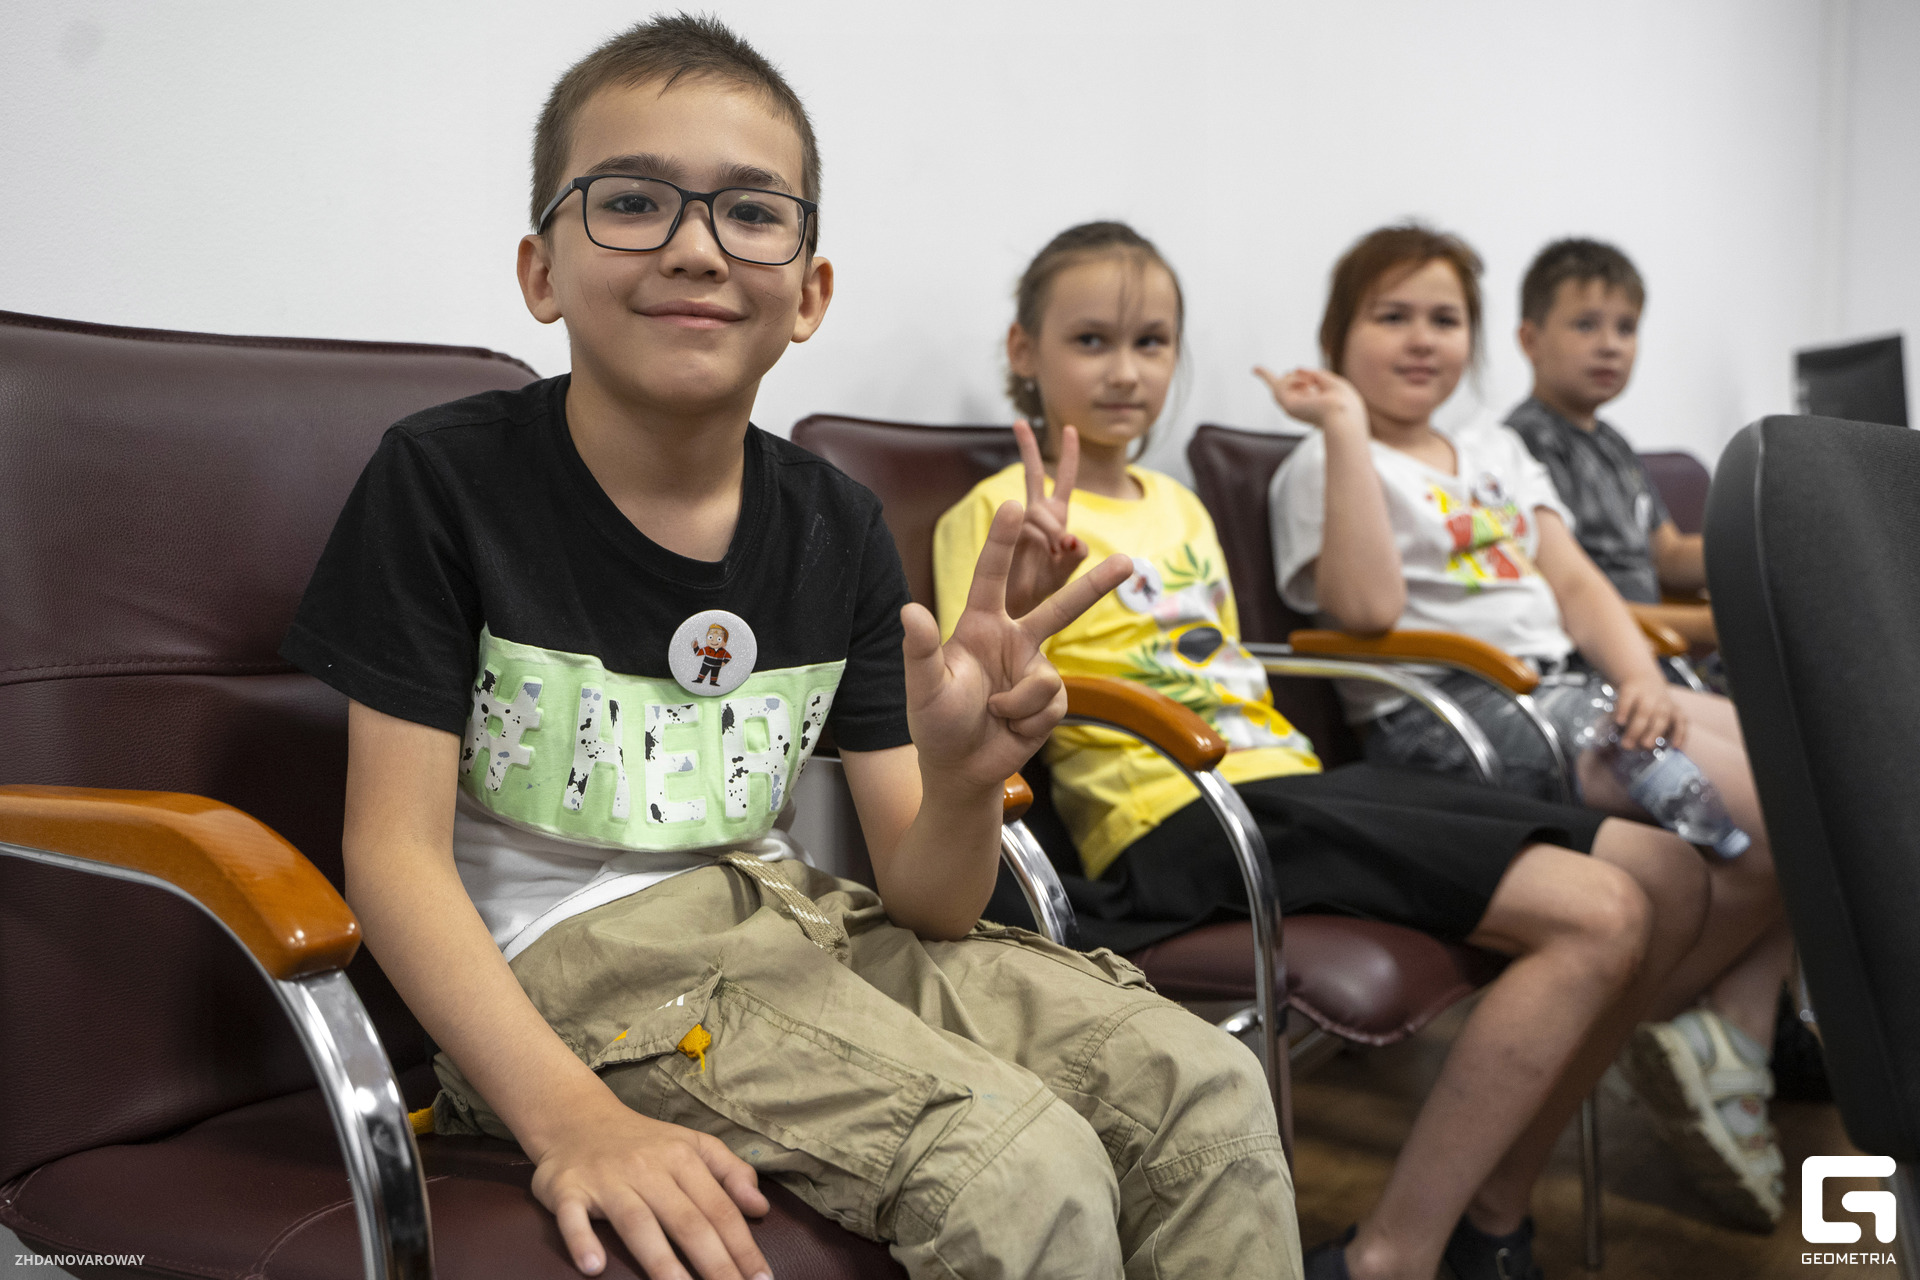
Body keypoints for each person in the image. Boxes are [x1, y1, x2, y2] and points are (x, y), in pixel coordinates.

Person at [281, 19, 1299, 1280]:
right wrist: (569, 1117)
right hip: (575, 975)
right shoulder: (445, 481)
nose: (697, 245)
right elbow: (391, 855)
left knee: (1206, 1087)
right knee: (1017, 1169)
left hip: (804, 924)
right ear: (542, 270)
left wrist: (965, 778)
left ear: (809, 292)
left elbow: (929, 899)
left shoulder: (837, 524)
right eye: (634, 201)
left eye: (752, 212)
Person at [933, 221, 1725, 1280]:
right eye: (1091, 341)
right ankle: (1392, 1253)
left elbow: (1226, 660)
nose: (1126, 371)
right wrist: (1024, 610)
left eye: (1152, 342)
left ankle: (1490, 1217)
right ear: (1023, 350)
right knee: (1605, 912)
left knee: (1672, 872)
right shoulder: (993, 513)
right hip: (1178, 817)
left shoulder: (1178, 504)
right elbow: (970, 702)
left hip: (1286, 788)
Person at [1265, 223, 1798, 1234]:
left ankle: (1667, 1029)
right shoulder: (1322, 463)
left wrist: (1638, 676)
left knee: (1802, 781)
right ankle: (1655, 1030)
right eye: (1390, 316)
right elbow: (1366, 610)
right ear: (1338, 336)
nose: (1421, 339)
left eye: (1444, 318)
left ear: (1475, 337)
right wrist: (1341, 431)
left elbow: (1577, 583)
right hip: (1457, 717)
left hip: (1569, 691)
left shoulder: (1496, 448)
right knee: (1769, 824)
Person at [1503, 238, 1714, 649]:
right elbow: (1566, 597)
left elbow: (1668, 554)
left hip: (1651, 642)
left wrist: (1762, 553)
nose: (1610, 345)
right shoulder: (1527, 443)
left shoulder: (1613, 442)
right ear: (1530, 341)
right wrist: (1709, 626)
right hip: (1597, 651)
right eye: (1586, 325)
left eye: (1626, 328)